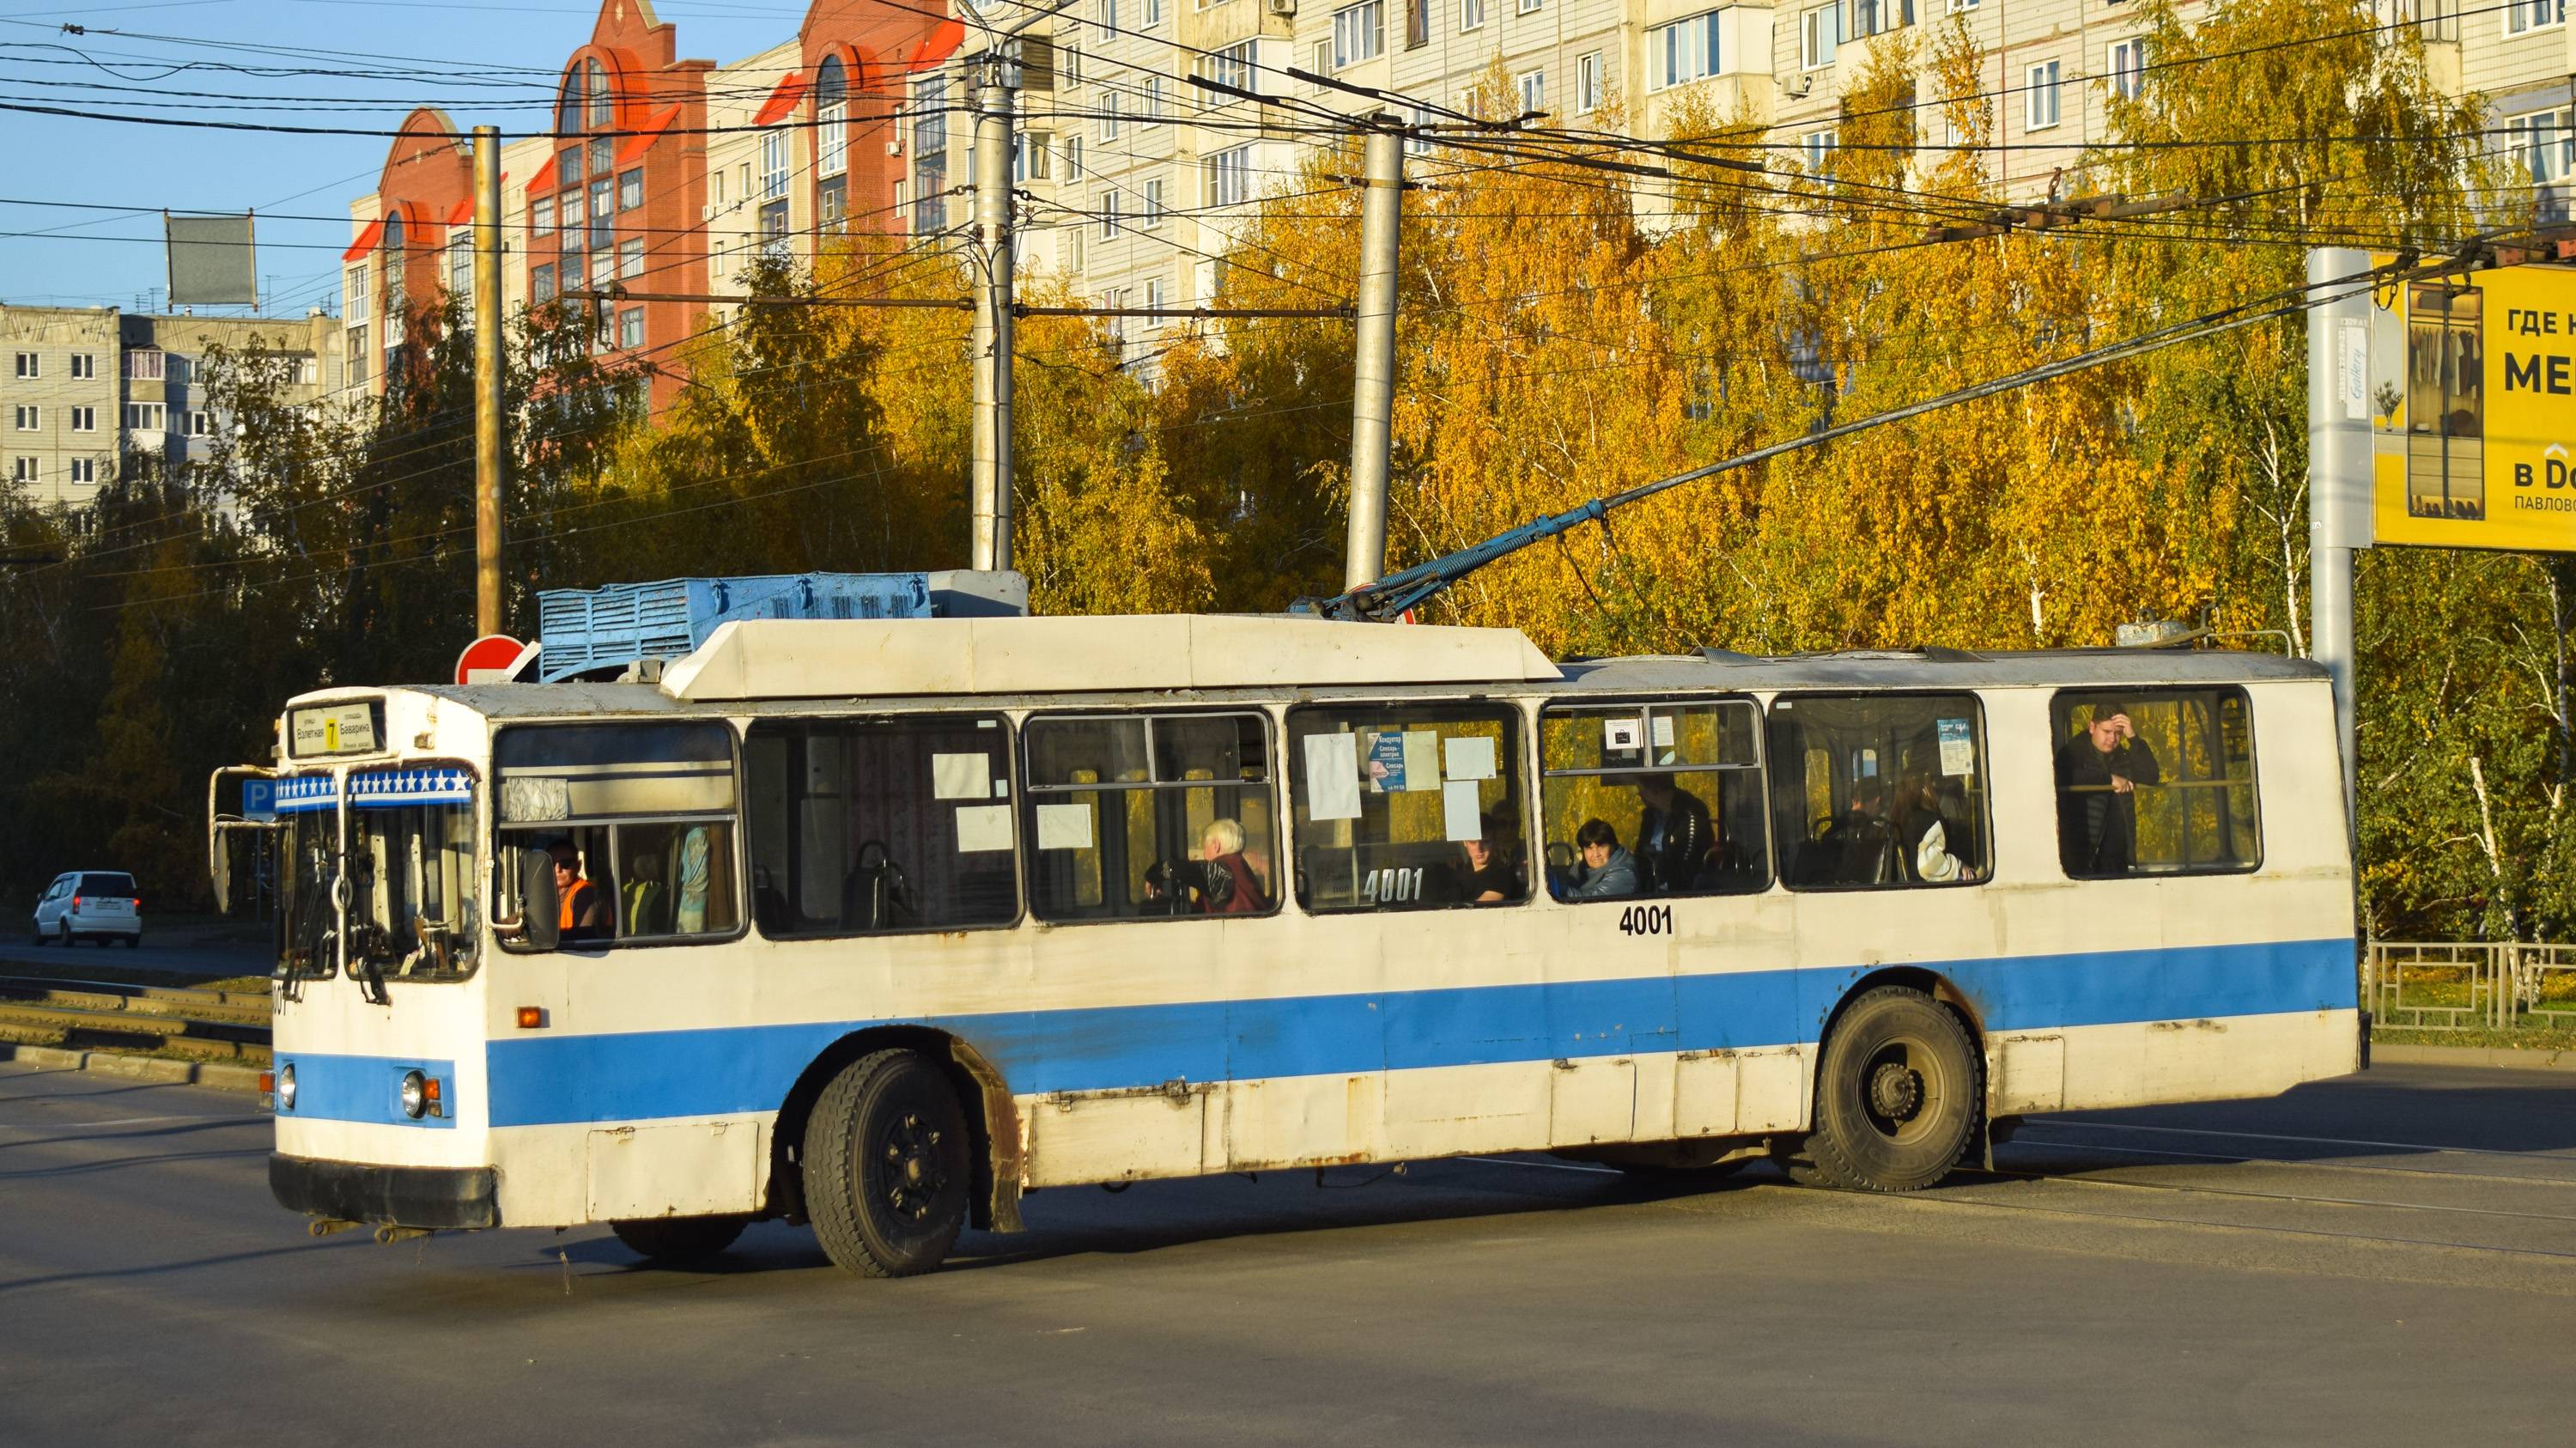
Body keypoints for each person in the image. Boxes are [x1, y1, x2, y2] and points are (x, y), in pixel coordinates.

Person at [2055, 701, 2162, 876]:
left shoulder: (2123, 757)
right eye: (2106, 732)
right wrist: (2109, 779)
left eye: (2118, 733)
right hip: (2079, 856)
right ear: (2092, 727)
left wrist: (2133, 737)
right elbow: (2065, 776)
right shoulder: (2072, 754)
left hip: (2115, 857)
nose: (2112, 739)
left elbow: (2151, 775)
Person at [1634, 773, 1715, 893]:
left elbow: (1688, 863)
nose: (1640, 796)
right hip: (1650, 886)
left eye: (1642, 792)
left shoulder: (1691, 819)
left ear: (1654, 791)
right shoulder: (1651, 816)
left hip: (1680, 892)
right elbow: (1640, 851)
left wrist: (1660, 864)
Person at [1895, 772, 1980, 884]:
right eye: (1933, 785)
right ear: (1925, 790)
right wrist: (1959, 866)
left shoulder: (1901, 818)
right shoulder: (1931, 821)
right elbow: (1928, 865)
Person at [1554, 818, 1641, 900]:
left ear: (1613, 846)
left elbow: (1590, 901)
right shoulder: (1579, 868)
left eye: (1601, 846)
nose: (1596, 854)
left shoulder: (1624, 873)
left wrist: (1555, 888)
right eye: (1589, 848)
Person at [1198, 818, 1269, 915]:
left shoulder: (1217, 870)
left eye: (1205, 847)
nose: (1204, 854)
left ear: (1216, 845)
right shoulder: (1241, 865)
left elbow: (1202, 914)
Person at [550, 840, 611, 943]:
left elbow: (581, 938)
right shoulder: (544, 894)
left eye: (565, 863)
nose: (558, 869)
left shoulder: (586, 894)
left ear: (578, 866)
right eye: (552, 863)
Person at [1459, 815, 1519, 903]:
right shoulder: (1461, 871)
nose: (1479, 848)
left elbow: (1479, 911)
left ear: (1495, 842)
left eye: (1486, 842)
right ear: (1465, 842)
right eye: (1472, 842)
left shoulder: (1502, 875)